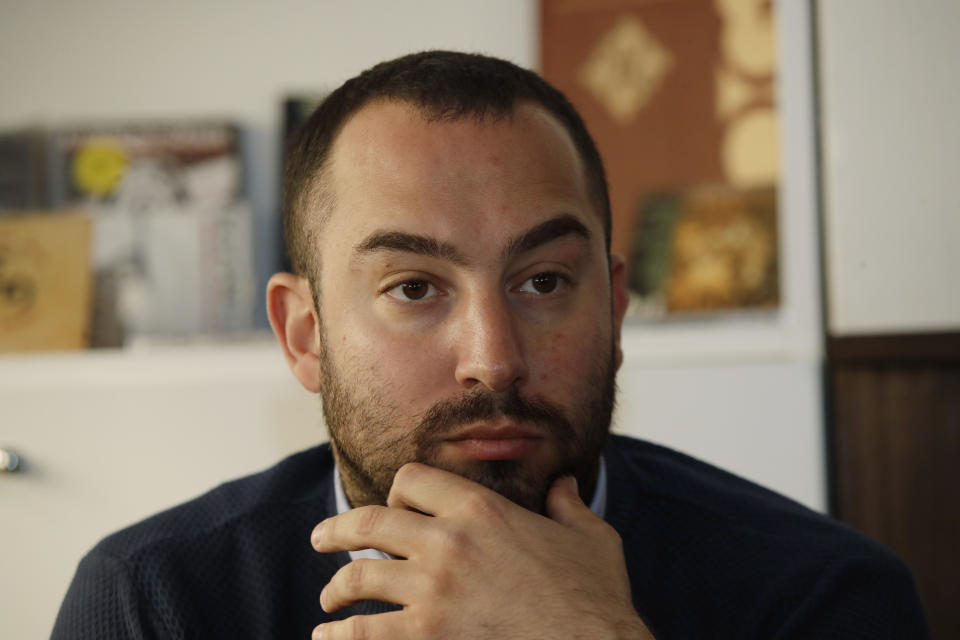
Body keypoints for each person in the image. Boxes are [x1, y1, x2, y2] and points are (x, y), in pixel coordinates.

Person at [52, 51, 929, 639]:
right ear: (305, 335)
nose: (494, 358)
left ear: (616, 311)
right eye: (415, 289)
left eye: (543, 281)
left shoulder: (824, 599)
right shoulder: (152, 602)